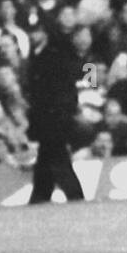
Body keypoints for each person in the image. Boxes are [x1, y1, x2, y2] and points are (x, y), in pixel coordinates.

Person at [25, 15, 84, 204]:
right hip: (47, 119)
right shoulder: (41, 54)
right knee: (46, 163)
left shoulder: (56, 54)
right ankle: (39, 198)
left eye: (37, 31)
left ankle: (75, 197)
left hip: (55, 119)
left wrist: (89, 88)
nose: (33, 35)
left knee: (58, 161)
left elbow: (85, 72)